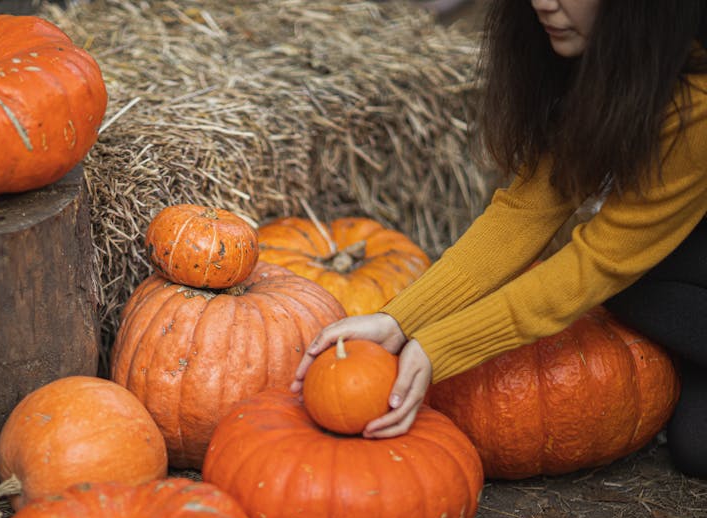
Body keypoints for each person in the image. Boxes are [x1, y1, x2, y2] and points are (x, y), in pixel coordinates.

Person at [291, 0, 707, 477]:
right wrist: (398, 322)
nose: (543, 3)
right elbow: (529, 208)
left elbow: (598, 263)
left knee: (640, 293)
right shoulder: (598, 57)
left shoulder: (697, 97)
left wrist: (438, 347)